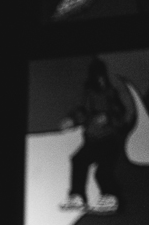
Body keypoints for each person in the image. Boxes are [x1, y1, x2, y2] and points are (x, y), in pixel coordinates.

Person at [58, 56, 137, 215]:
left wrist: (110, 119)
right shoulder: (89, 91)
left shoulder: (114, 89)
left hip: (110, 139)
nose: (100, 81)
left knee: (102, 171)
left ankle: (111, 197)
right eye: (97, 78)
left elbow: (127, 113)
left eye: (102, 77)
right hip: (93, 138)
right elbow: (82, 111)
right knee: (79, 160)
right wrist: (72, 120)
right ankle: (78, 196)